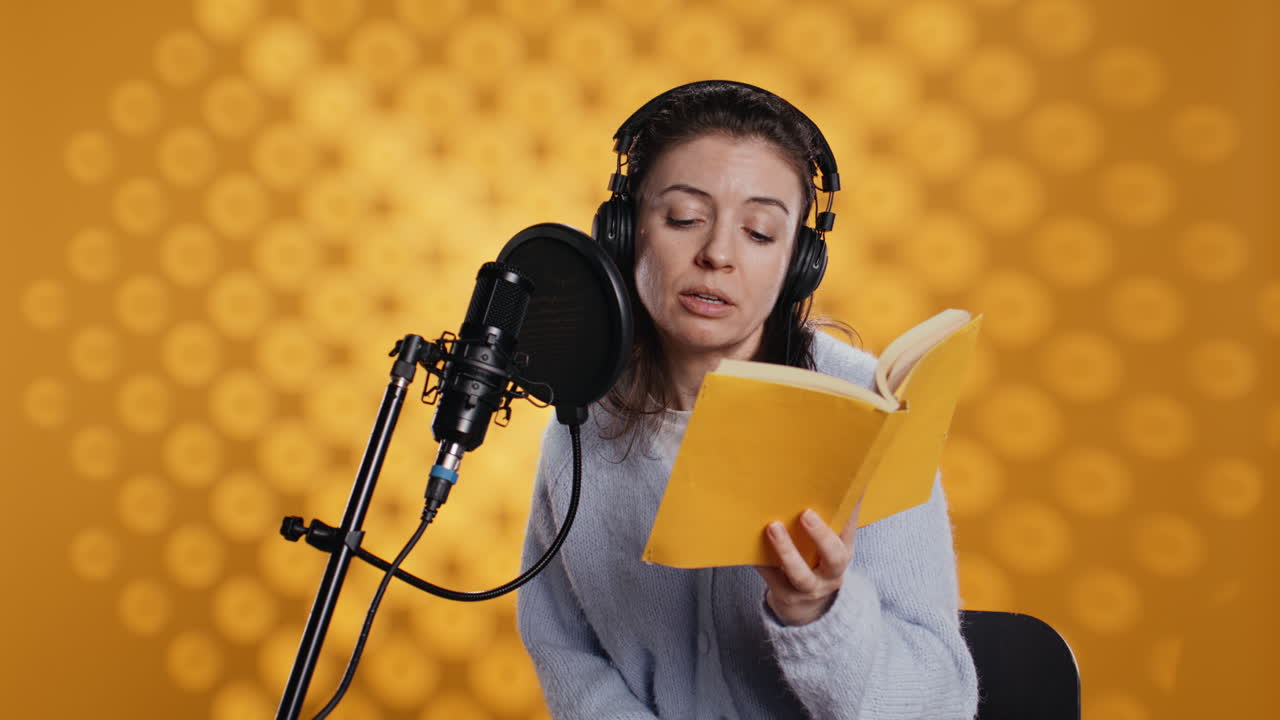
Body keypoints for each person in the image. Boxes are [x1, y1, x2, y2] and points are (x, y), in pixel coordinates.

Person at [517, 81, 978, 719]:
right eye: (683, 218)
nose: (718, 255)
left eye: (760, 232)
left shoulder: (867, 412)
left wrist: (817, 614)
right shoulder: (584, 414)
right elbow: (565, 650)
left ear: (798, 263)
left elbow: (939, 706)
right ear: (624, 233)